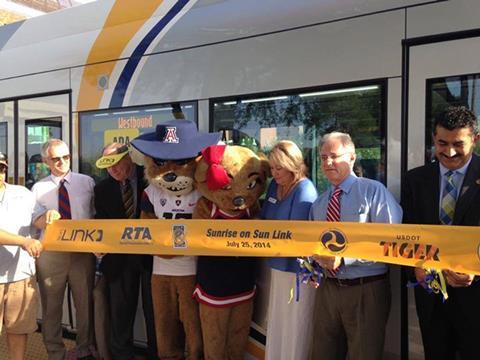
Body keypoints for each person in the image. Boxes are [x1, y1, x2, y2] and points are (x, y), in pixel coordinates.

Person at [310, 132, 402, 360]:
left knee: (364, 354)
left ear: (352, 157)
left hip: (366, 289)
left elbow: (391, 242)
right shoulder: (319, 203)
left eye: (334, 156)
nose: (327, 163)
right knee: (323, 354)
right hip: (327, 290)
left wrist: (346, 258)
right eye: (323, 157)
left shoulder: (373, 192)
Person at [402, 106, 480, 360]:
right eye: (442, 143)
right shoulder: (415, 180)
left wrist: (476, 269)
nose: (450, 152)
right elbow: (405, 234)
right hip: (431, 297)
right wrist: (415, 268)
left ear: (475, 139)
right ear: (434, 139)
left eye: (459, 143)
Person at [32, 139, 96, 360]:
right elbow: (34, 221)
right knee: (51, 307)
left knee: (85, 305)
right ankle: (55, 352)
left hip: (82, 253)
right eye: (56, 158)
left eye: (66, 157)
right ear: (46, 161)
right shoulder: (38, 188)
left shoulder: (87, 182)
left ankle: (85, 349)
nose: (62, 162)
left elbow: (97, 216)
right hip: (51, 255)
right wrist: (45, 219)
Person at [94, 143, 157, 360]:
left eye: (115, 164)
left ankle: (156, 354)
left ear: (128, 158)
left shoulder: (150, 177)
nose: (112, 170)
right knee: (120, 315)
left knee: (155, 314)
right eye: (107, 166)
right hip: (119, 262)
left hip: (153, 259)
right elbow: (100, 223)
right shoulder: (101, 189)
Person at [260, 140, 317, 360]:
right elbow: (265, 218)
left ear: (292, 164)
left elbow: (298, 236)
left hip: (298, 271)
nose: (274, 173)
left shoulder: (305, 190)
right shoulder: (275, 186)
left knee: (296, 324)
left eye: (279, 168)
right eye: (272, 168)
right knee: (278, 321)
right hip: (277, 266)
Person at [0, 152, 42, 360]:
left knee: (18, 329)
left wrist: (49, 218)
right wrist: (24, 241)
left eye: (1, 168)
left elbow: (38, 217)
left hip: (21, 275)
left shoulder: (22, 193)